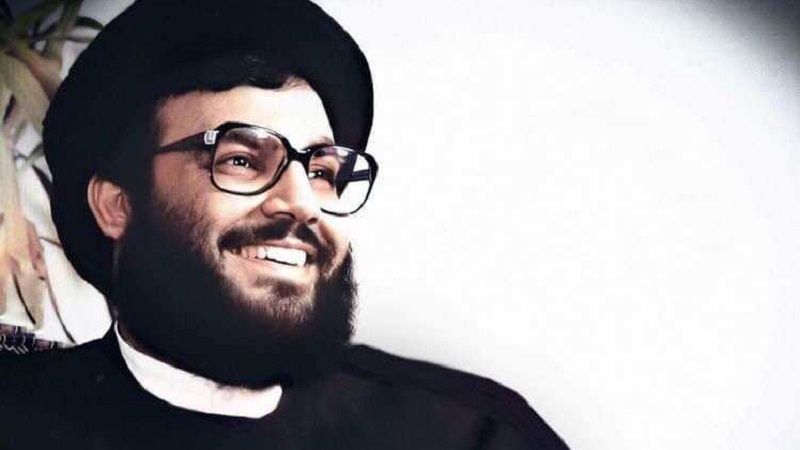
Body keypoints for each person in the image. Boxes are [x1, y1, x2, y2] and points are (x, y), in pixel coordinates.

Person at [0, 1, 568, 448]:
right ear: (116, 206)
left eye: (321, 171)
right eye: (241, 160)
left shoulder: (476, 435)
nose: (301, 203)